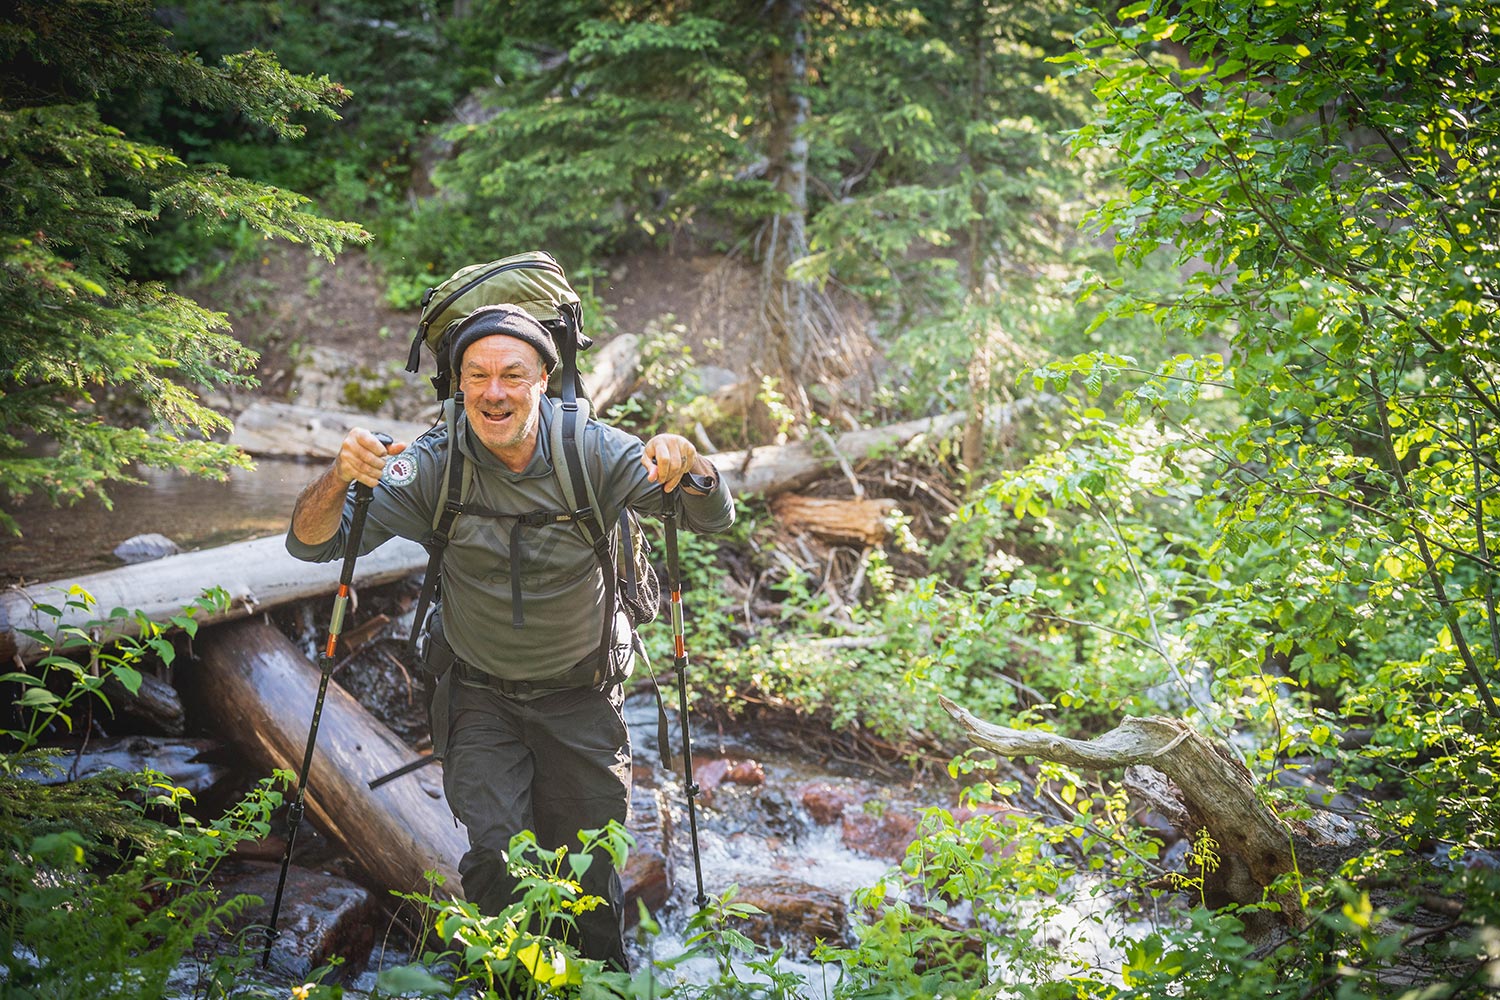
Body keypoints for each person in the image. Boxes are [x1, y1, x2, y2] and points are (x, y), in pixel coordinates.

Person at [285, 303, 734, 968]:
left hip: (583, 699)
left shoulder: (593, 453)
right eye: (477, 375)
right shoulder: (436, 465)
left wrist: (691, 464)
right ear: (458, 384)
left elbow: (711, 518)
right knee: (497, 869)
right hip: (480, 699)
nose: (493, 392)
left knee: (590, 891)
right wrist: (340, 474)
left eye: (511, 375)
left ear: (544, 381)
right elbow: (309, 545)